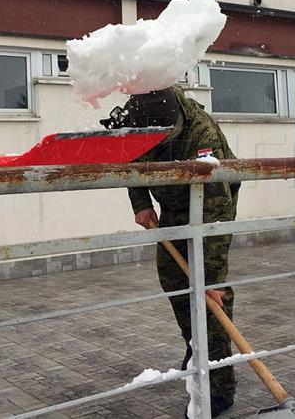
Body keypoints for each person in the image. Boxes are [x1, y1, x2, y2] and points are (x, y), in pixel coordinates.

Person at [116, 85, 238, 417]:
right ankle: (196, 346)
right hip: (172, 206)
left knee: (208, 296)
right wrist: (141, 204)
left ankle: (220, 387)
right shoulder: (138, 116)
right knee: (174, 279)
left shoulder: (200, 134)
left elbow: (216, 205)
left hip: (213, 205)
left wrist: (210, 276)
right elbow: (130, 159)